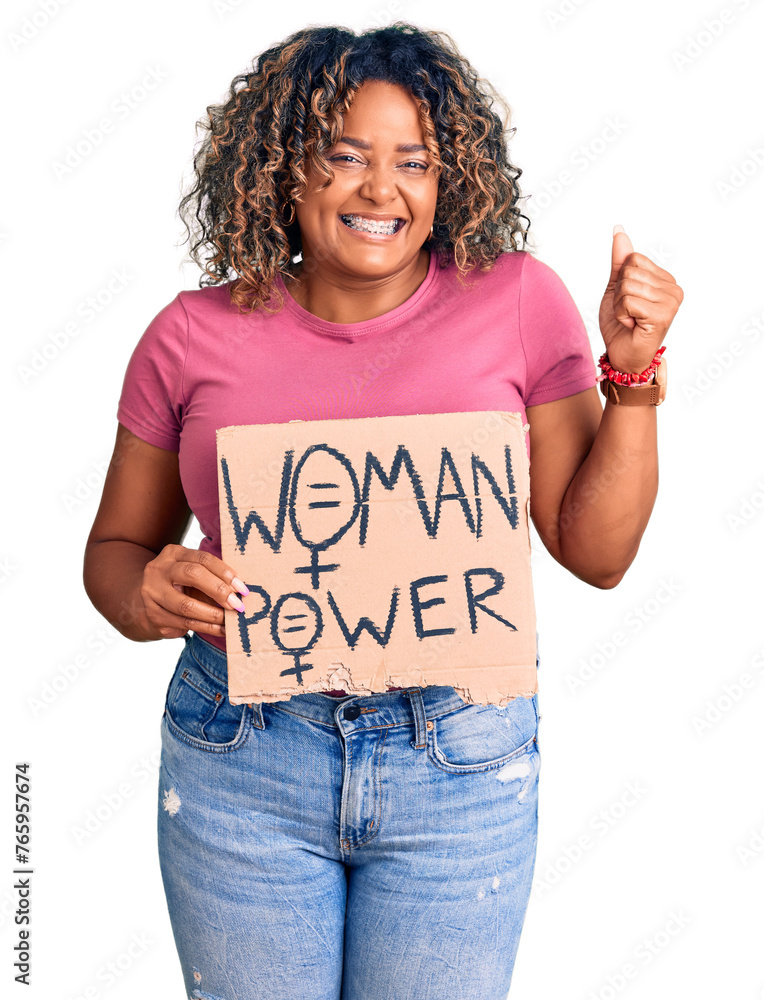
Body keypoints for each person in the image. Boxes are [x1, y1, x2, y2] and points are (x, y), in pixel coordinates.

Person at [83, 21, 683, 1000]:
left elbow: (597, 551)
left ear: (451, 181)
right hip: (242, 755)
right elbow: (114, 552)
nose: (379, 189)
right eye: (344, 157)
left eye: (413, 162)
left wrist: (631, 375)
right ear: (279, 170)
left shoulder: (521, 303)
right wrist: (146, 591)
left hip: (458, 756)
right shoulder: (188, 334)